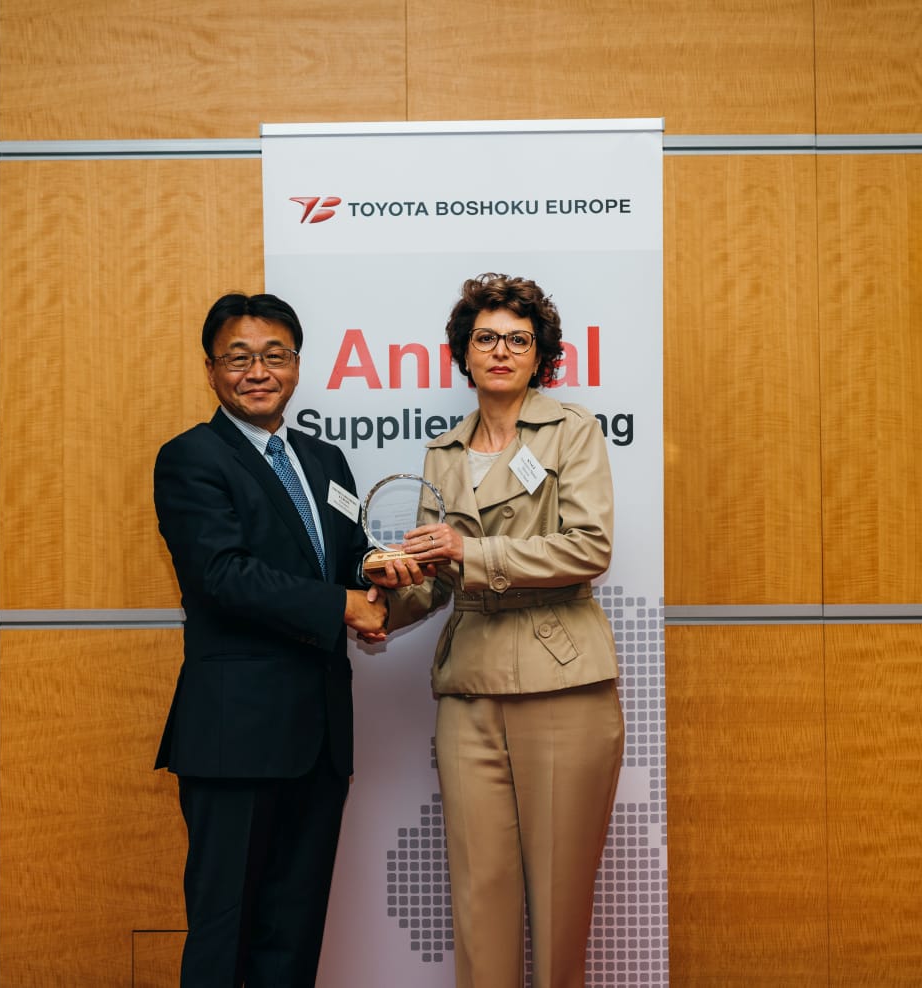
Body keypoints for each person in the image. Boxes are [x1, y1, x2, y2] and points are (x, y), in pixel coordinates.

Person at [368, 273, 624, 988]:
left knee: (560, 911)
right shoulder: (443, 453)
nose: (502, 350)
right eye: (487, 338)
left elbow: (588, 549)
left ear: (540, 356)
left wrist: (465, 551)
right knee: (478, 908)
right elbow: (441, 579)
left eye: (519, 339)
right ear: (465, 353)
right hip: (468, 687)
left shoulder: (572, 429)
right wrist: (389, 599)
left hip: (563, 685)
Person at [153, 291, 388, 988]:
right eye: (239, 357)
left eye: (274, 355)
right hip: (235, 740)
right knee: (225, 939)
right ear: (211, 369)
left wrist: (380, 574)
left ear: (296, 363)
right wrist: (342, 606)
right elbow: (223, 575)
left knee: (293, 940)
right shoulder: (191, 459)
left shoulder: (325, 460)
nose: (259, 370)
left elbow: (343, 561)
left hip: (318, 740)